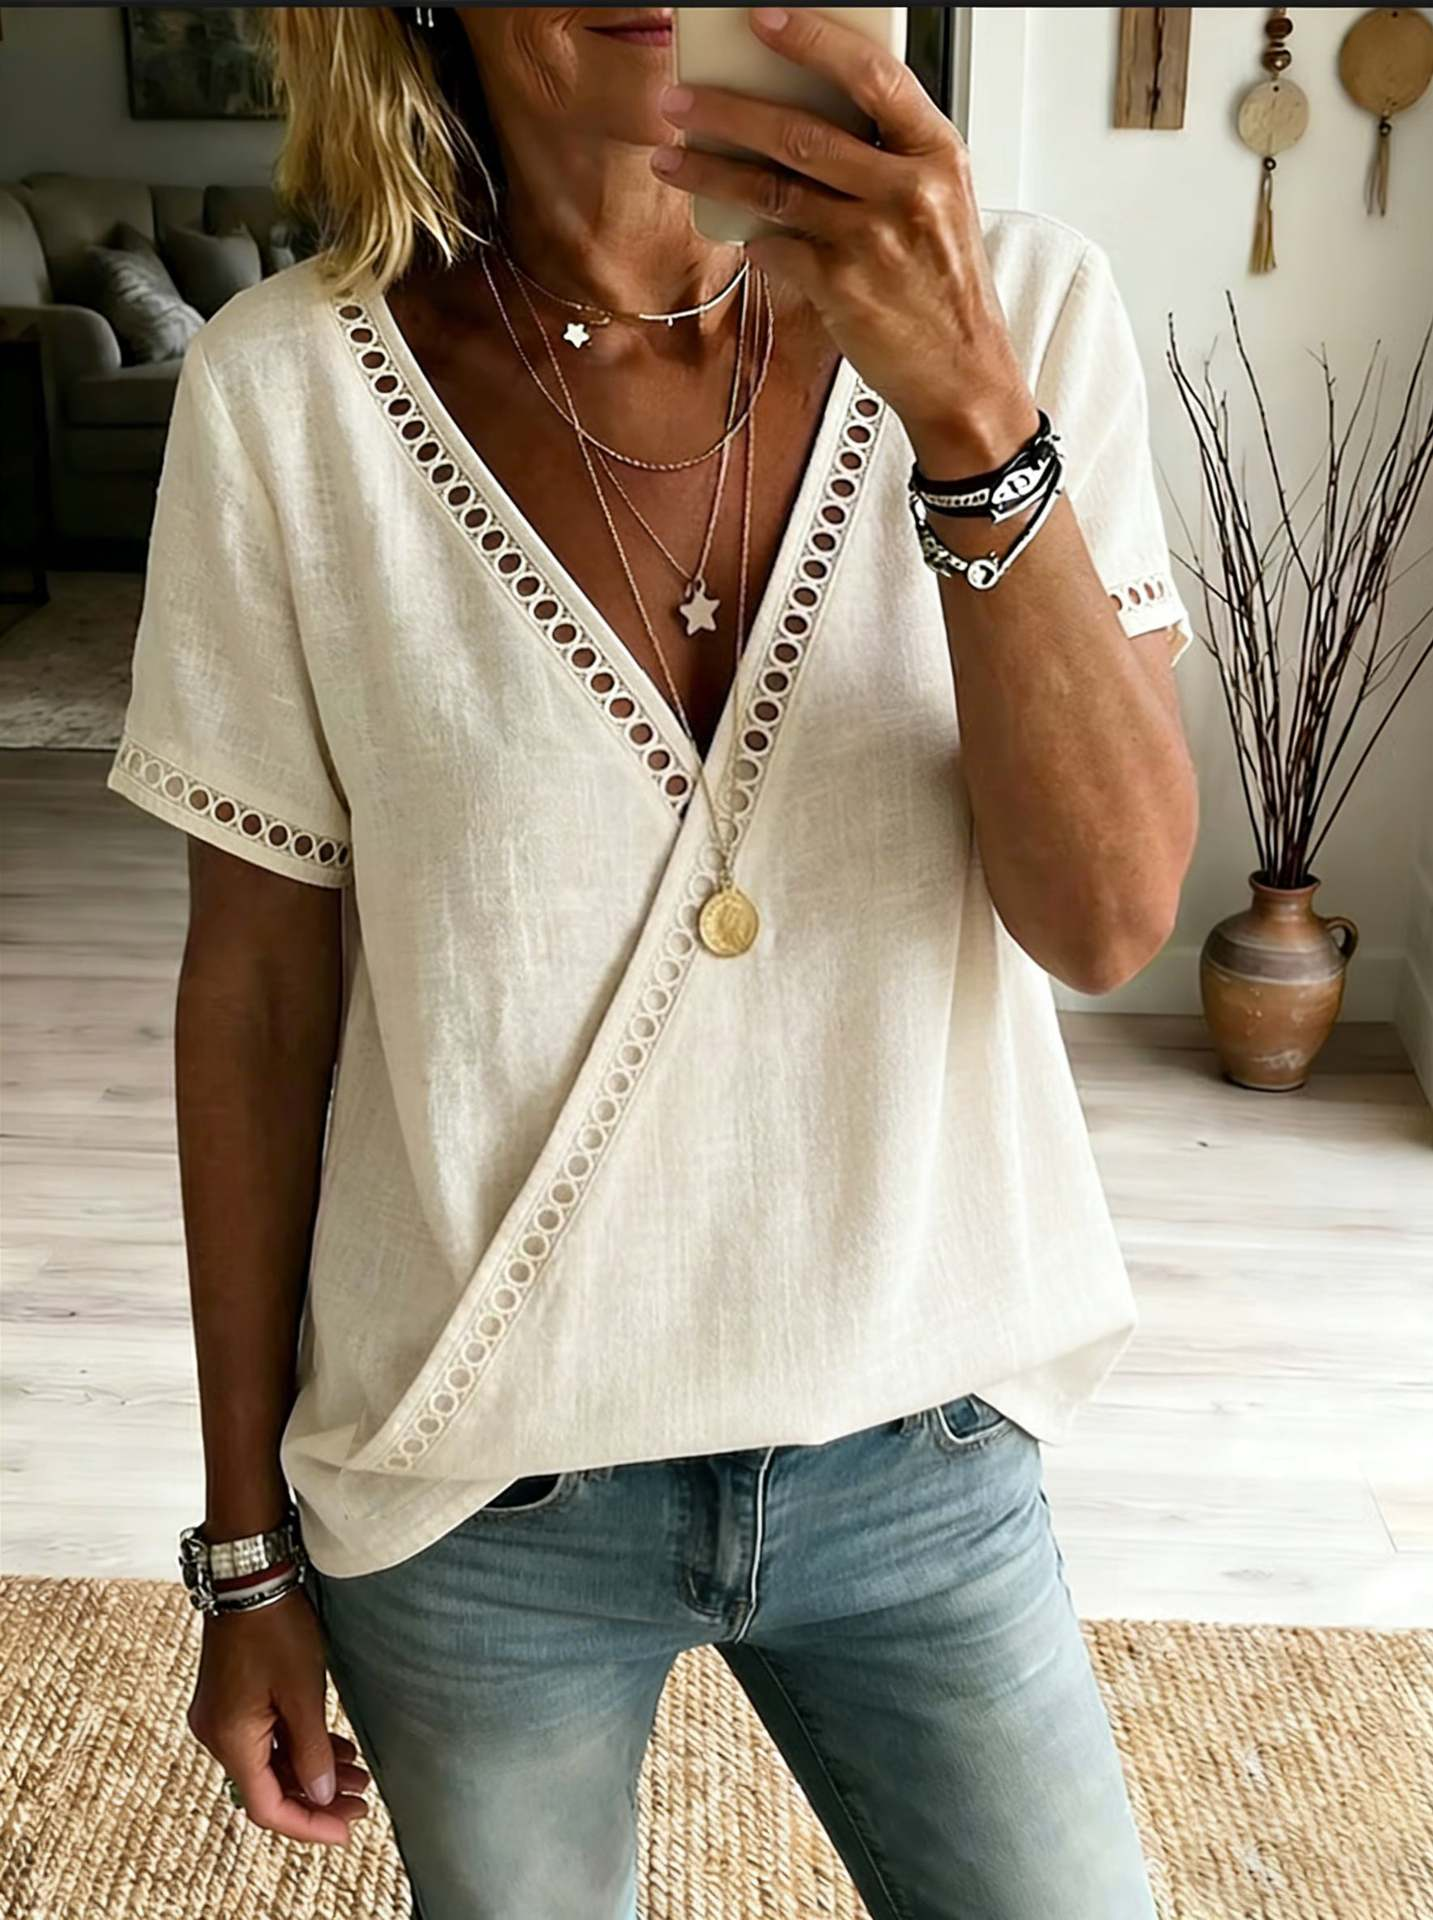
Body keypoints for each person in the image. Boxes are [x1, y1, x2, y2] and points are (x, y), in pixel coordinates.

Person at [109, 8, 1198, 1917]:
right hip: (480, 1497)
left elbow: (1105, 922)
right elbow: (257, 1004)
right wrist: (243, 1553)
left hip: (924, 1433)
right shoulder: (284, 397)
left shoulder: (1019, 307)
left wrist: (967, 417)